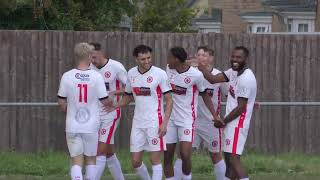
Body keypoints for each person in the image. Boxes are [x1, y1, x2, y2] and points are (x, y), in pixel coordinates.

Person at [106, 44, 173, 180]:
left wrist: (165, 123)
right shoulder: (131, 73)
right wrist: (115, 106)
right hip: (138, 122)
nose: (147, 61)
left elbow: (169, 100)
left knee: (155, 160)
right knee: (135, 162)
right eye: (143, 59)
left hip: (155, 122)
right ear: (136, 59)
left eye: (149, 57)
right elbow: (129, 96)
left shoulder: (160, 74)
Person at [198, 46, 257, 180]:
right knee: (229, 163)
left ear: (245, 59)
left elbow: (241, 108)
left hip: (237, 124)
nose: (235, 60)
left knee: (234, 160)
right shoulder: (233, 72)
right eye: (233, 57)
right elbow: (213, 79)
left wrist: (223, 121)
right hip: (231, 124)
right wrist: (201, 67)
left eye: (238, 57)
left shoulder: (246, 79)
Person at [164, 47, 219, 180]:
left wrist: (215, 115)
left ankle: (187, 177)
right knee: (168, 156)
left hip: (186, 120)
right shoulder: (168, 69)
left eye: (170, 57)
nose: (167, 60)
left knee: (185, 154)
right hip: (170, 119)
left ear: (176, 59)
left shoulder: (196, 75)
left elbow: (205, 95)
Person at [57, 42, 111, 180]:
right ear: (88, 56)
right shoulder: (96, 76)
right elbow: (105, 101)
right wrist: (112, 102)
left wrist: (71, 112)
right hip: (91, 125)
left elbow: (61, 102)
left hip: (72, 125)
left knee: (76, 161)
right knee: (91, 160)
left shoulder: (67, 76)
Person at [89, 42, 127, 180]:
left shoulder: (116, 67)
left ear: (101, 54)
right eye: (90, 58)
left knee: (99, 151)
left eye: (94, 57)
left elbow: (131, 88)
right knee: (109, 152)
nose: (92, 61)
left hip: (111, 113)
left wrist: (114, 92)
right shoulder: (89, 68)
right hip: (94, 114)